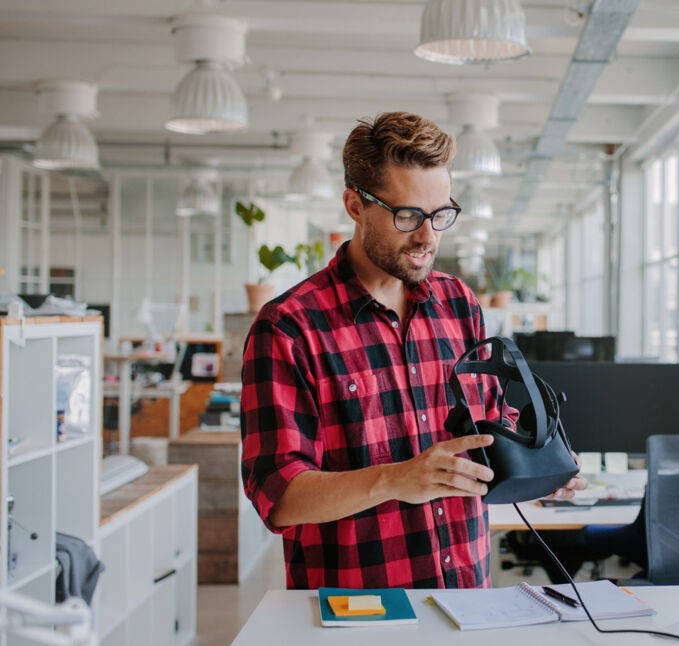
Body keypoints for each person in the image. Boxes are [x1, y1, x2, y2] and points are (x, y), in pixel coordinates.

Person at [240, 111, 586, 590]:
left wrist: (539, 459)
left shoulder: (459, 303)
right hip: (359, 609)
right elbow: (278, 494)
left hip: (467, 596)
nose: (428, 237)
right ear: (355, 205)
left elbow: (487, 427)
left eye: (441, 214)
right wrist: (396, 480)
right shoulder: (289, 327)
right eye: (408, 216)